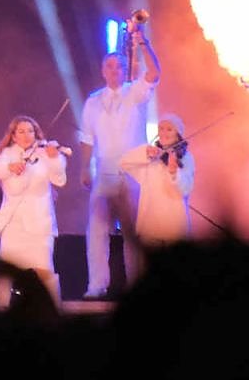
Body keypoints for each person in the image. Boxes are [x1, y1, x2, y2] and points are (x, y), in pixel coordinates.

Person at [76, 25, 162, 299]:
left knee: (132, 232)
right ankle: (96, 285)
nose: (115, 71)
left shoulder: (134, 92)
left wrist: (143, 43)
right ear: (103, 71)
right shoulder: (93, 101)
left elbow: (154, 73)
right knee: (97, 229)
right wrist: (84, 167)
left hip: (133, 173)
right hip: (104, 172)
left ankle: (137, 285)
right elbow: (87, 137)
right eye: (110, 67)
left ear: (125, 71)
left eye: (120, 67)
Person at [0, 115, 67, 309]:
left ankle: (53, 310)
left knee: (44, 270)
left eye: (30, 131)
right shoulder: (7, 155)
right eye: (21, 131)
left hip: (40, 224)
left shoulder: (45, 154)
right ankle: (1, 310)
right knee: (6, 274)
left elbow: (60, 180)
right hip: (14, 225)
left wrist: (54, 159)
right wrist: (8, 168)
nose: (27, 135)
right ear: (13, 136)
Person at [118, 113, 194, 258]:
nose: (164, 133)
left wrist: (174, 171)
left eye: (169, 129)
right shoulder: (151, 156)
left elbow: (185, 188)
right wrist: (145, 152)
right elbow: (123, 163)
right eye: (161, 128)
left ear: (178, 134)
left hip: (173, 226)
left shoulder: (185, 158)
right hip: (149, 224)